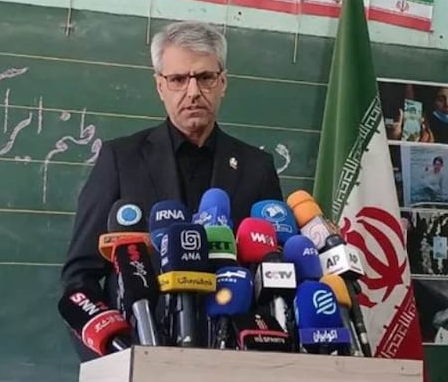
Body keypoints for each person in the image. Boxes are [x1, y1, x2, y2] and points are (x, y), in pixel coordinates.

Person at [61, 20, 284, 357]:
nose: (193, 92)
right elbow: (81, 280)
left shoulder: (257, 168)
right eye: (178, 79)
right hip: (138, 359)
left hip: (236, 366)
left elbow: (273, 277)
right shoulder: (120, 159)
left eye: (205, 77)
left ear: (223, 83)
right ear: (159, 86)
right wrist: (115, 362)